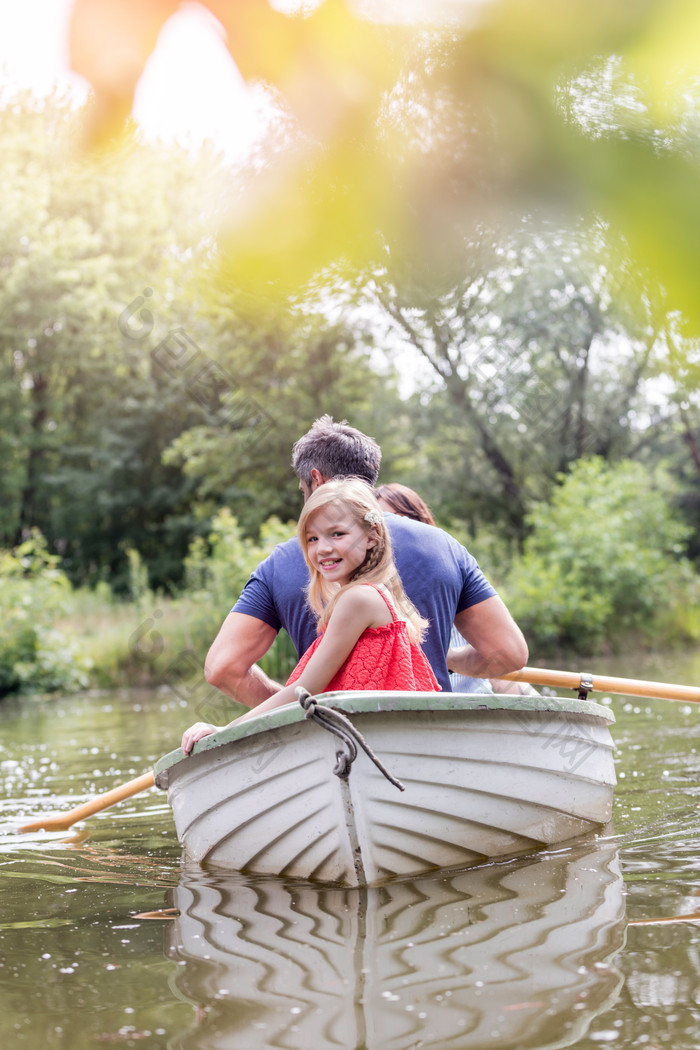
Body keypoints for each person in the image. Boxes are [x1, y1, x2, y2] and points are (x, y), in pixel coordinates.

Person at [203, 416, 528, 706]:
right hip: (432, 737)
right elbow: (509, 653)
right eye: (313, 538)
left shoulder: (281, 563)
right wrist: (447, 659)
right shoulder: (445, 545)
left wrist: (291, 718)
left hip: (339, 743)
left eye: (303, 492)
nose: (317, 546)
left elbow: (222, 668)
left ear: (315, 481)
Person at [182, 479, 439, 753]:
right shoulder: (371, 594)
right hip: (375, 743)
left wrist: (228, 730)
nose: (323, 548)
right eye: (312, 538)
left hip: (377, 744)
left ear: (371, 535)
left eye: (337, 534)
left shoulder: (358, 599)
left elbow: (306, 689)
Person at [375, 483, 536, 696]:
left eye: (402, 522)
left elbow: (505, 666)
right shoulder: (369, 604)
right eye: (385, 524)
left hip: (469, 711)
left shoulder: (457, 596)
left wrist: (447, 657)